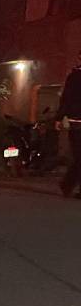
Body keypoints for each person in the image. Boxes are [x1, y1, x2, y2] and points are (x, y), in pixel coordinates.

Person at [58, 50, 81, 198]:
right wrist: (60, 118)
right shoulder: (74, 76)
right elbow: (66, 98)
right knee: (80, 156)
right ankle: (68, 183)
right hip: (76, 121)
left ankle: (68, 184)